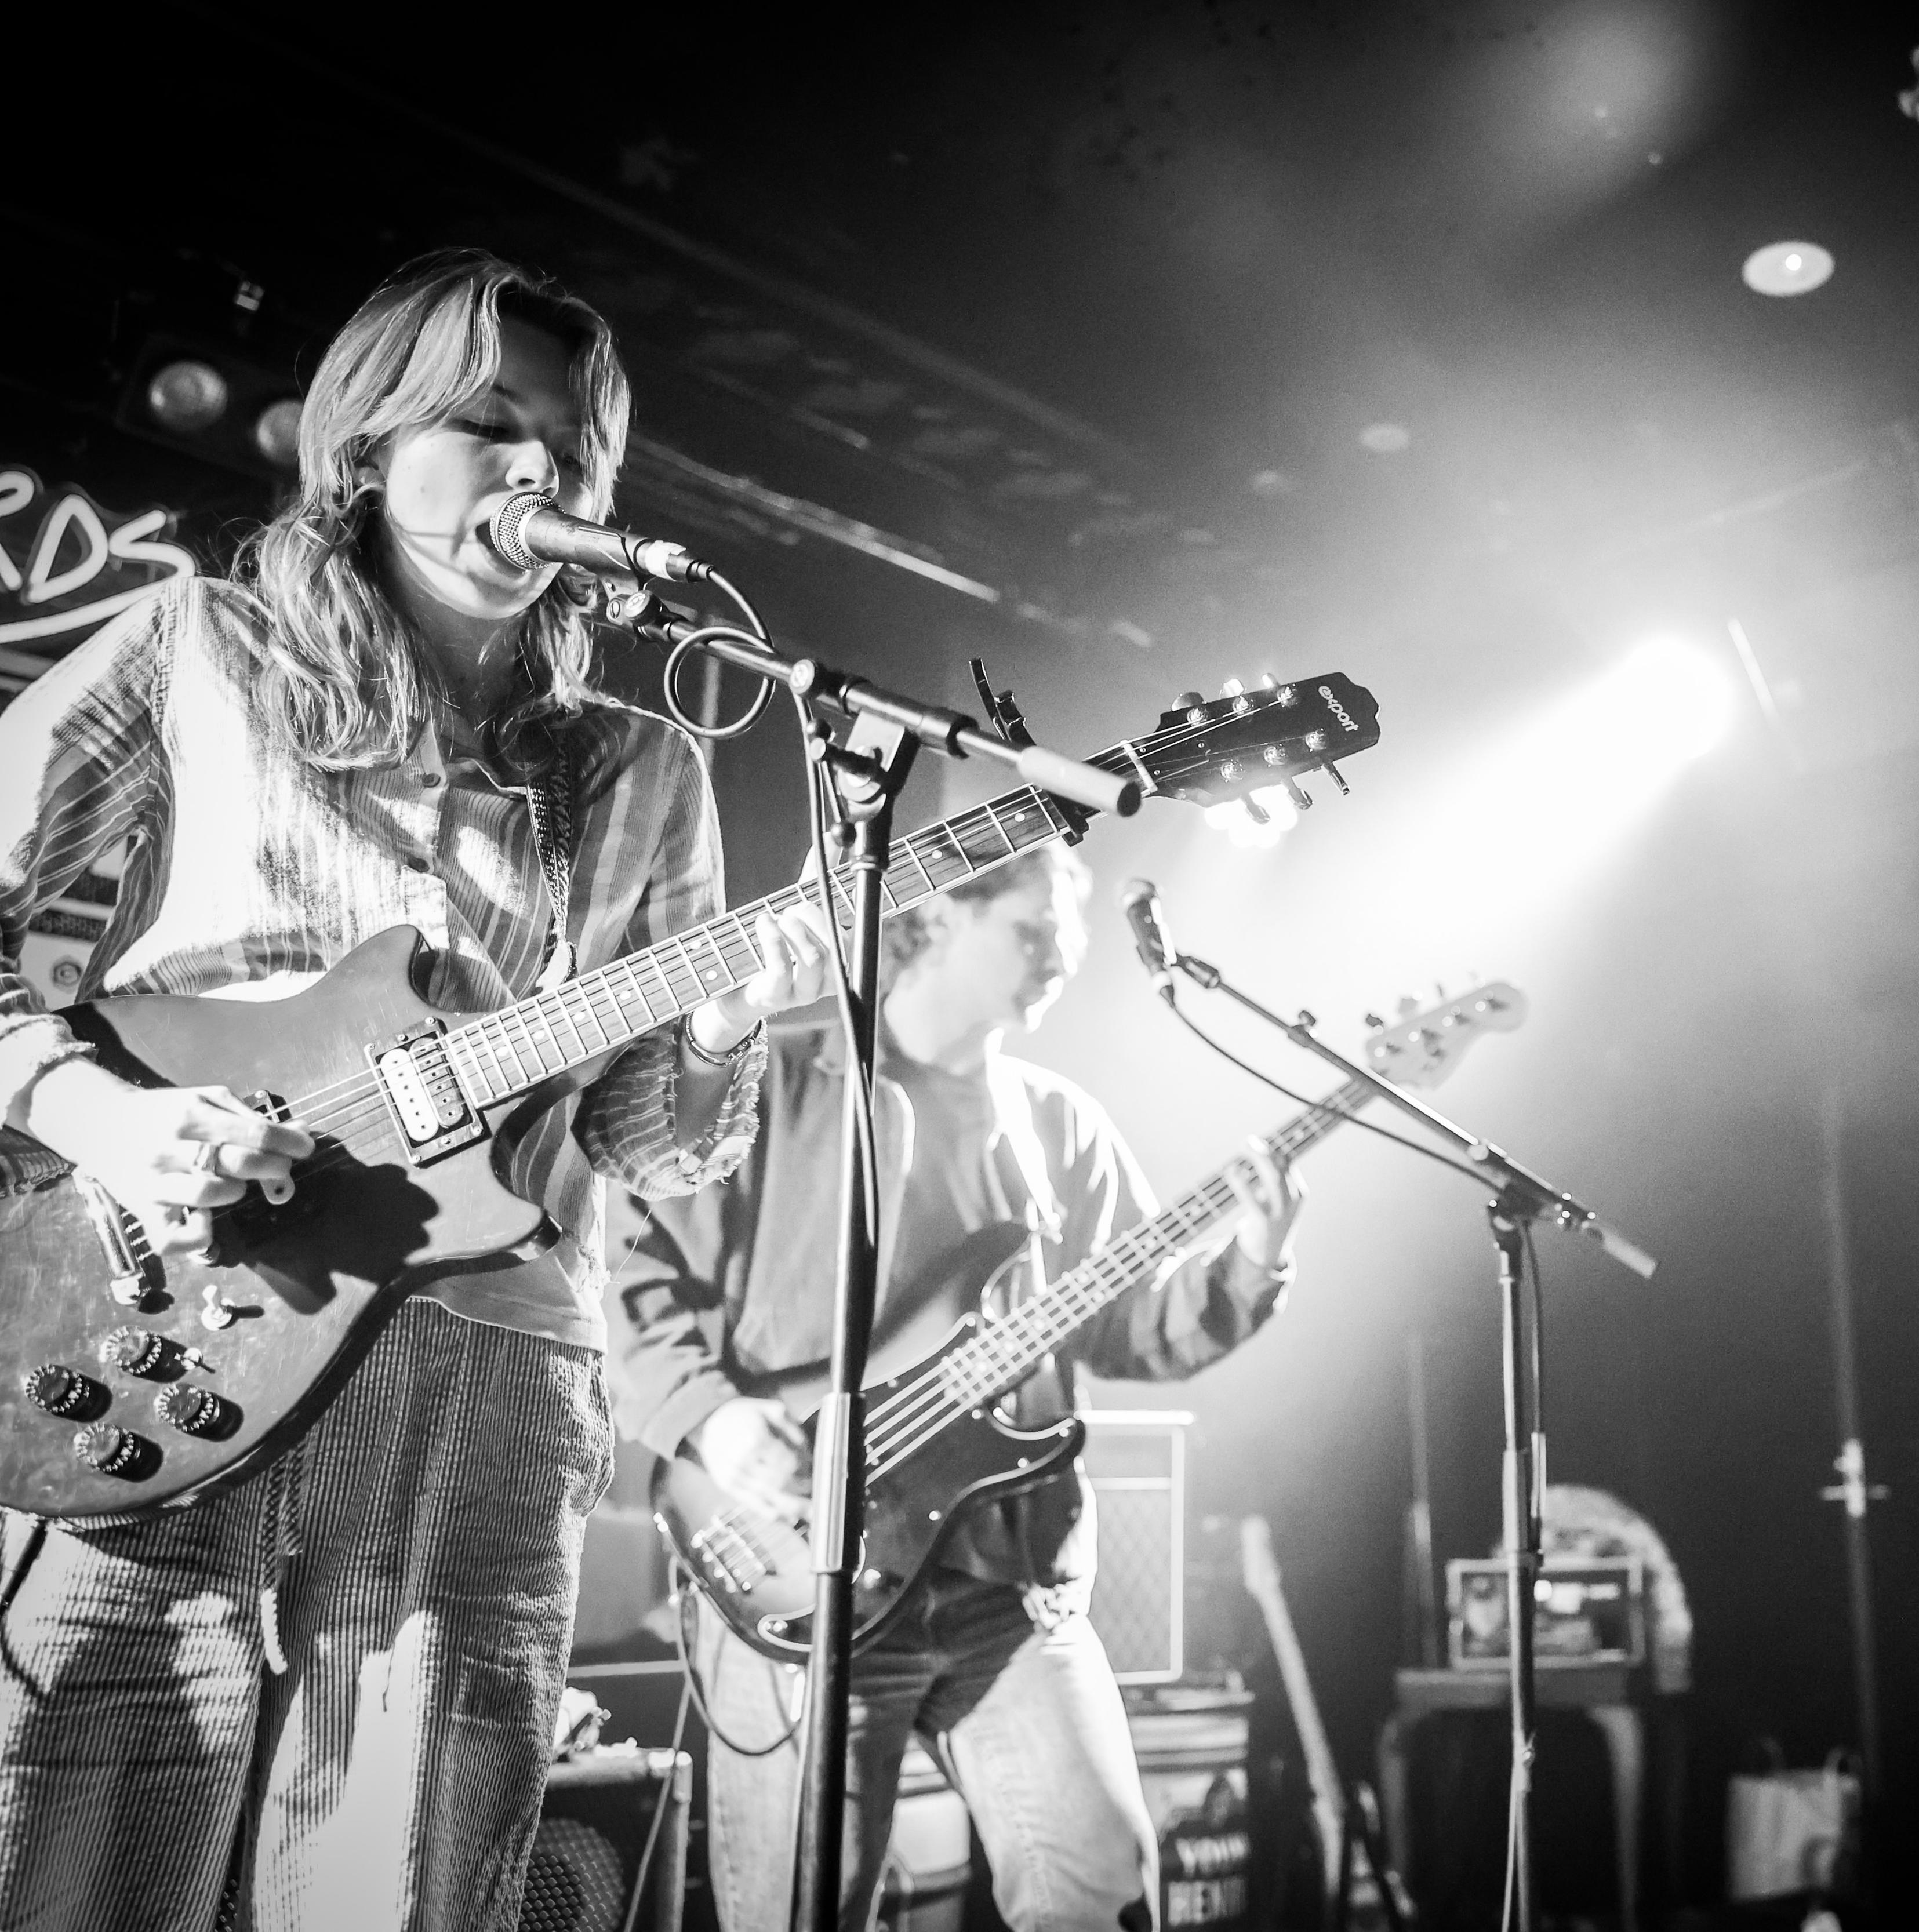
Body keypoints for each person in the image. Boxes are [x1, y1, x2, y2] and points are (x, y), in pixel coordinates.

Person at [0, 250, 831, 1930]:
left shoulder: (642, 762)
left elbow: (641, 1144)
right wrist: (101, 1114)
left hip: (492, 1378)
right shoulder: (195, 647)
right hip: (173, 1313)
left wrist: (732, 1025)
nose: (536, 469)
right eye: (485, 420)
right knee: (80, 1863)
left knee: (411, 1886)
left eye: (571, 449)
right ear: (370, 444)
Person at [607, 839, 1302, 1932]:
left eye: (1069, 935)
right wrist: (712, 1418)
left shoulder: (1058, 1125)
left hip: (1007, 1579)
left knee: (1105, 1887)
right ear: (935, 920)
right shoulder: (777, 1079)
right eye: (1032, 928)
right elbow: (631, 1273)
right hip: (802, 1572)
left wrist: (1252, 1258)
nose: (1065, 955)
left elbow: (1133, 1329)